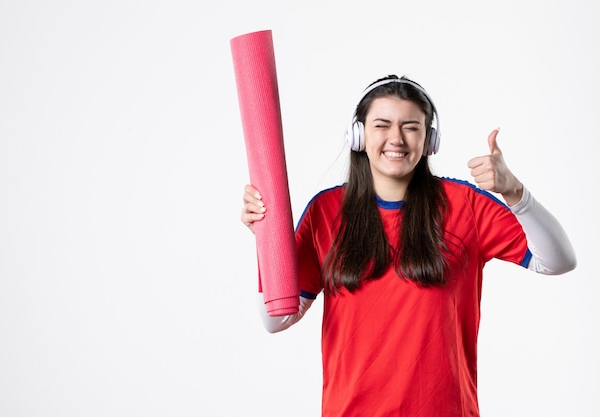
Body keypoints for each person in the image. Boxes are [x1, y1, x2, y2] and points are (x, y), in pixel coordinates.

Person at [240, 74, 576, 417]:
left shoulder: (465, 205)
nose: (396, 139)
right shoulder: (326, 212)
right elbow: (276, 320)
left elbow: (557, 261)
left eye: (411, 126)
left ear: (429, 139)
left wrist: (516, 193)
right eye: (382, 125)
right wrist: (266, 239)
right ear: (358, 135)